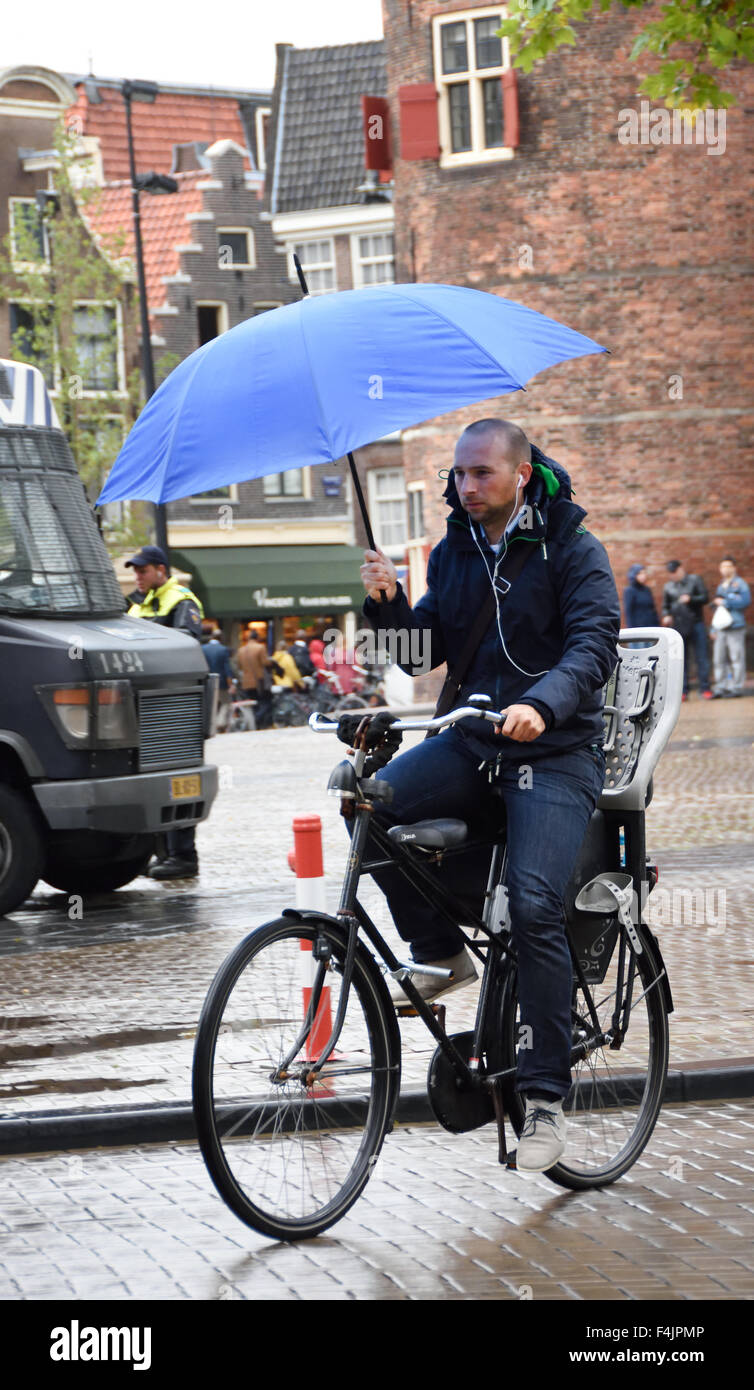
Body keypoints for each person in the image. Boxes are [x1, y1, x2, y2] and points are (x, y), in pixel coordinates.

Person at [358, 418, 620, 1175]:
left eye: (481, 474)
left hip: (556, 751)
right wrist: (386, 605)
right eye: (460, 475)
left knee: (537, 906)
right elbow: (422, 654)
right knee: (369, 803)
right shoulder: (456, 549)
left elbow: (594, 644)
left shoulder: (572, 546)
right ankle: (441, 952)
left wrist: (546, 701)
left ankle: (543, 1099)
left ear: (520, 472)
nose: (466, 487)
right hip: (474, 741)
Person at [126, 546, 205, 878]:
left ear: (161, 569)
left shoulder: (182, 600)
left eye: (143, 571)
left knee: (179, 779)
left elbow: (186, 643)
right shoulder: (137, 603)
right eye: (135, 571)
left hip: (174, 705)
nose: (138, 576)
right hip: (142, 704)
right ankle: (161, 853)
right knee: (152, 782)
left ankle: (184, 856)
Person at [661, 560, 711, 700]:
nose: (673, 576)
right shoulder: (668, 586)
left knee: (701, 657)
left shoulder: (694, 580)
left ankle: (705, 688)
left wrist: (691, 599)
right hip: (679, 626)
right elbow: (666, 605)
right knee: (681, 659)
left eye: (675, 572)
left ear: (681, 569)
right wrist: (666, 615)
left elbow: (705, 597)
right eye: (671, 573)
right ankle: (683, 690)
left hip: (696, 623)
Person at [711, 556, 751, 697]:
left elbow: (745, 601)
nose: (725, 569)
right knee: (719, 659)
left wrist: (726, 602)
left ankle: (737, 687)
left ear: (734, 568)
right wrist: (713, 628)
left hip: (735, 626)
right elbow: (717, 610)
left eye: (728, 566)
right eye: (723, 566)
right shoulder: (721, 585)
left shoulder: (740, 584)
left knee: (736, 658)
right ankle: (721, 687)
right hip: (720, 628)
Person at [237, 628, 273, 729]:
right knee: (266, 702)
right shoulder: (260, 647)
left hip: (246, 682)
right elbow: (265, 663)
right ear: (257, 638)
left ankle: (255, 722)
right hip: (259, 680)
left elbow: (239, 666)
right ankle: (258, 719)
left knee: (252, 703)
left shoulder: (241, 650)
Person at [202, 626, 235, 731]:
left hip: (206, 680)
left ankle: (211, 724)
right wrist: (231, 683)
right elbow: (227, 668)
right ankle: (220, 722)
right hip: (221, 682)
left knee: (211, 704)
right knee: (226, 703)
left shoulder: (203, 648)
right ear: (221, 638)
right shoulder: (223, 649)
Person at [623, 564, 659, 629]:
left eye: (644, 573)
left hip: (652, 626)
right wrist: (631, 630)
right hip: (639, 628)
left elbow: (653, 610)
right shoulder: (629, 591)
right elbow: (629, 612)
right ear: (634, 575)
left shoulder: (647, 590)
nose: (643, 576)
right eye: (639, 573)